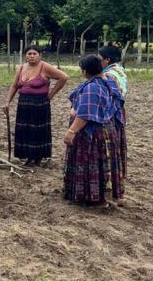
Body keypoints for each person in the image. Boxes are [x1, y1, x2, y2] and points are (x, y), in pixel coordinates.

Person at [63, 54, 124, 208]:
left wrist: (71, 131)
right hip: (106, 131)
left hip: (95, 134)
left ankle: (98, 199)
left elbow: (85, 114)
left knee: (94, 164)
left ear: (84, 71)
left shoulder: (92, 88)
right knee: (99, 165)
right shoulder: (108, 82)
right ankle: (91, 197)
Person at [3, 46, 68, 165]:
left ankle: (37, 158)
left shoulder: (45, 67)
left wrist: (51, 94)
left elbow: (64, 77)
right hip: (23, 103)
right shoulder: (21, 68)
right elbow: (14, 86)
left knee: (37, 130)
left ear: (39, 55)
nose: (32, 56)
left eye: (34, 54)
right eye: (29, 54)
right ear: (25, 56)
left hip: (40, 104)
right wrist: (7, 102)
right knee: (24, 130)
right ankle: (29, 157)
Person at [99, 44, 129, 180]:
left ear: (107, 60)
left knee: (108, 143)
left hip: (111, 112)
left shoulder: (108, 75)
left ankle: (109, 175)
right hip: (119, 109)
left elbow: (107, 98)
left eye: (99, 58)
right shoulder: (119, 70)